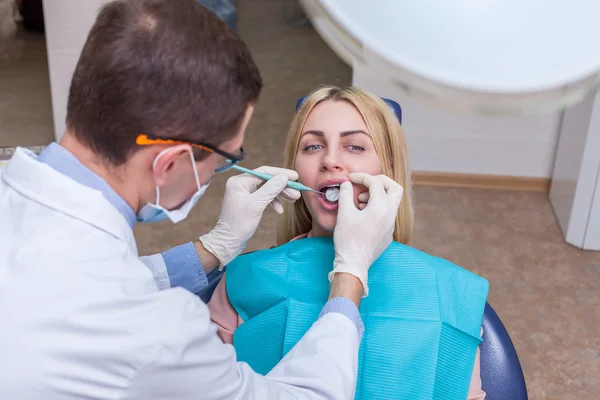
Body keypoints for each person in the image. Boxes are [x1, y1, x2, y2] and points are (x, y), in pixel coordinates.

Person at [0, 3, 405, 400]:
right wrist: (351, 275)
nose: (331, 160)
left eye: (354, 146)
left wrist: (214, 247)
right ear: (169, 163)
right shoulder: (157, 332)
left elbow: (80, 289)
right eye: (225, 159)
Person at [207, 86, 487, 399]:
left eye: (354, 146)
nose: (330, 160)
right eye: (312, 147)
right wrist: (214, 245)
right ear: (293, 170)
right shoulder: (244, 281)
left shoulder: (451, 292)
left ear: (388, 168)